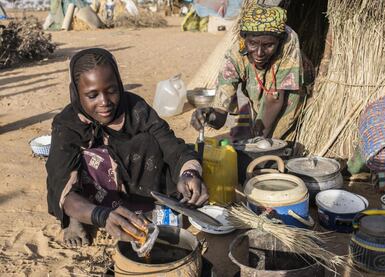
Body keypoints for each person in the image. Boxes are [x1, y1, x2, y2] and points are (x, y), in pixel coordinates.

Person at [46, 48, 208, 248]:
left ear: (120, 86)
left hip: (134, 186)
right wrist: (100, 215)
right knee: (79, 164)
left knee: (149, 141)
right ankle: (77, 219)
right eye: (92, 95)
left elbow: (171, 145)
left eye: (112, 91)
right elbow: (62, 185)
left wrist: (189, 172)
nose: (104, 102)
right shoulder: (66, 125)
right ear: (76, 94)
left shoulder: (135, 108)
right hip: (91, 200)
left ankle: (139, 207)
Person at [191, 3, 314, 140]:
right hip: (262, 93)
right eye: (253, 44)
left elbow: (275, 98)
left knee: (278, 139)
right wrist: (209, 115)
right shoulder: (234, 57)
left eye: (268, 45)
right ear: (245, 40)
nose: (259, 53)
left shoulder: (288, 41)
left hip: (287, 95)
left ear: (279, 42)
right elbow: (221, 113)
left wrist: (257, 142)